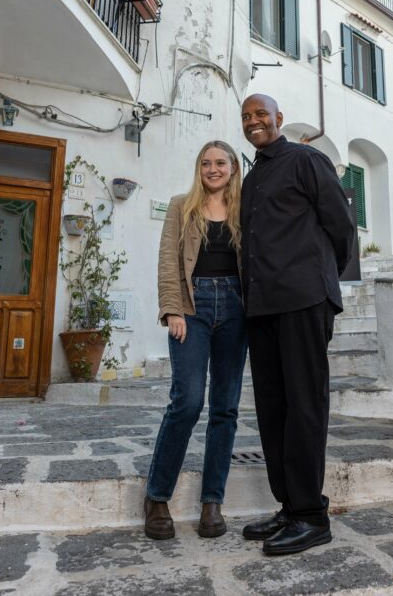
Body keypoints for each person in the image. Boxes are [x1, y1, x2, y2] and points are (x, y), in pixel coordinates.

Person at [240, 94, 355, 555]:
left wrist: (320, 275)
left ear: (279, 119)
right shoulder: (252, 179)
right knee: (273, 409)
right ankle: (289, 505)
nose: (253, 122)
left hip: (304, 299)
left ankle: (311, 515)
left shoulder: (307, 159)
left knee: (305, 405)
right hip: (262, 307)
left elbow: (342, 226)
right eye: (246, 117)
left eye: (260, 114)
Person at [145, 140, 247, 540]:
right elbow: (168, 261)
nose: (213, 168)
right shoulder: (180, 206)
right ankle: (156, 497)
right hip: (193, 307)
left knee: (226, 407)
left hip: (237, 309)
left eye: (220, 162)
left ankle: (212, 503)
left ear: (234, 168)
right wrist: (172, 309)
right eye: (206, 162)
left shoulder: (244, 211)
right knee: (187, 401)